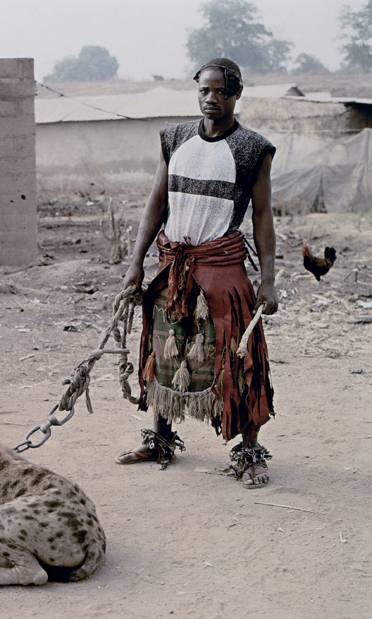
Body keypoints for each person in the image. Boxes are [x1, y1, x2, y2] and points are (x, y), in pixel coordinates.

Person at [117, 58, 278, 488]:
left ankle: (247, 452)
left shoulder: (252, 149)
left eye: (221, 91)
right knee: (167, 352)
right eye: (204, 91)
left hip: (222, 267)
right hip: (173, 266)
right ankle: (161, 438)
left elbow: (263, 217)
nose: (211, 99)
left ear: (236, 94)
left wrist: (268, 278)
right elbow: (156, 203)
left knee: (237, 359)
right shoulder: (175, 139)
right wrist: (136, 262)